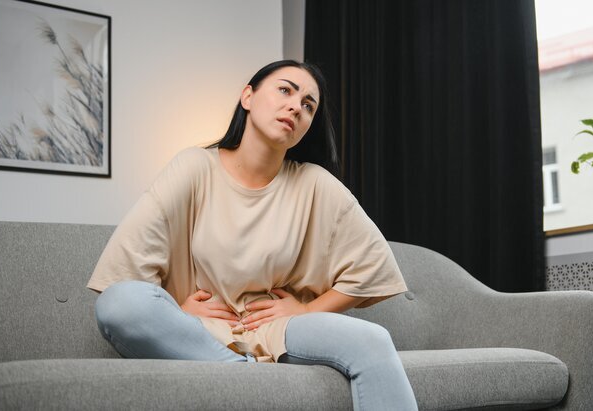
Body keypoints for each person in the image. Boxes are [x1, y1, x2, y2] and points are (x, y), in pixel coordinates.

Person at [88, 60, 419, 410]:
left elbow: (373, 267)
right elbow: (130, 267)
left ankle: (240, 385)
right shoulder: (194, 167)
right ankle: (246, 379)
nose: (296, 107)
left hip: (281, 330)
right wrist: (177, 311)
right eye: (285, 90)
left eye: (308, 105)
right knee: (117, 302)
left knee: (373, 340)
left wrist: (307, 309)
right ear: (248, 96)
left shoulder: (314, 184)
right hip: (197, 332)